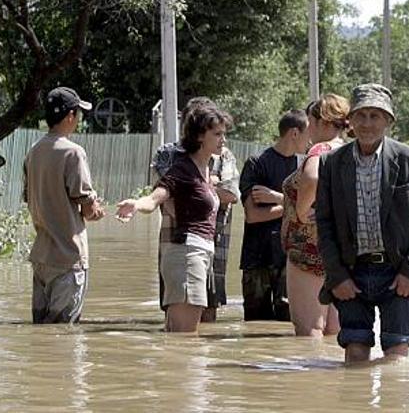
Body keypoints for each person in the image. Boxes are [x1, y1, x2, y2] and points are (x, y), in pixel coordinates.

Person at [316, 83, 409, 364]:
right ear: (350, 121)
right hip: (352, 271)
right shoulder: (332, 163)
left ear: (388, 120)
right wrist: (337, 276)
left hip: (398, 274)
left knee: (396, 359)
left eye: (375, 116)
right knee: (355, 355)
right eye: (361, 115)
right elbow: (324, 224)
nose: (367, 123)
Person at [116, 103, 233, 332]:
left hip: (197, 253)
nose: (223, 140)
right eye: (217, 134)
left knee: (180, 340)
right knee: (185, 341)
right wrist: (136, 205)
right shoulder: (183, 170)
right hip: (187, 254)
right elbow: (155, 198)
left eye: (224, 134)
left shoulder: (205, 170)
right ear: (200, 136)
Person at [152, 97, 239, 323]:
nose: (222, 138)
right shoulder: (168, 154)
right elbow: (168, 196)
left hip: (214, 241)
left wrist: (205, 186)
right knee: (180, 310)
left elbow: (232, 195)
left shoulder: (224, 155)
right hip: (180, 240)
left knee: (208, 307)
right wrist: (208, 184)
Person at [24, 87, 105, 324]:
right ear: (70, 116)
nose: (78, 119)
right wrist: (96, 210)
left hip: (41, 258)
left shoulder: (33, 152)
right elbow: (88, 208)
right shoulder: (73, 153)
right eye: (78, 113)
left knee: (41, 333)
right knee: (62, 337)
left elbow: (32, 198)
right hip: (68, 257)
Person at [281, 94, 350, 337]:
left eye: (310, 120)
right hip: (340, 248)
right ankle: (335, 375)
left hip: (309, 247)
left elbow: (312, 177)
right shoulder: (350, 151)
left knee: (309, 327)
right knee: (334, 329)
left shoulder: (321, 148)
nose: (307, 126)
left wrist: (300, 211)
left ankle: (310, 375)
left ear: (325, 122)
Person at [238, 109, 310, 321]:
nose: (310, 140)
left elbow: (310, 211)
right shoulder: (257, 163)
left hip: (290, 257)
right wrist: (293, 206)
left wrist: (278, 198)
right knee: (255, 325)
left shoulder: (304, 167)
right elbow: (252, 215)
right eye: (307, 134)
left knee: (289, 325)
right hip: (257, 257)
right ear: (294, 133)